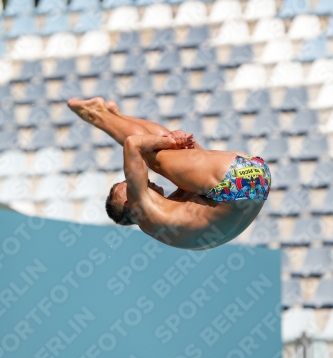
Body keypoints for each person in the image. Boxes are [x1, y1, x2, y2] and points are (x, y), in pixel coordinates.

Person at [67, 97, 271, 250]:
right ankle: (96, 115)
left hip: (255, 182)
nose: (142, 180)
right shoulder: (143, 208)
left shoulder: (166, 218)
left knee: (167, 152)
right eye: (129, 184)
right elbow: (133, 144)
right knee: (155, 158)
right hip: (237, 181)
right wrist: (170, 141)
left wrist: (178, 143)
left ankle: (116, 117)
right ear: (129, 200)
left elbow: (187, 160)